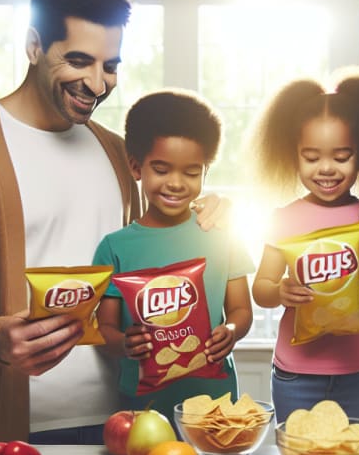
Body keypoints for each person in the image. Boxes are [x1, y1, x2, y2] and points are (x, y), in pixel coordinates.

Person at [0, 0, 224, 445]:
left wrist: (211, 215)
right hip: (13, 428)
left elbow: (145, 256)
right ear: (33, 46)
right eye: (78, 60)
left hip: (127, 419)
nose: (96, 83)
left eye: (109, 65)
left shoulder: (116, 152)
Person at [93, 89, 254, 426]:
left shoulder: (221, 232)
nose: (176, 184)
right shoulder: (115, 247)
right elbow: (103, 328)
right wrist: (124, 343)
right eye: (162, 170)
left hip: (215, 401)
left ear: (205, 172)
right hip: (141, 404)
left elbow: (241, 309)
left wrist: (232, 329)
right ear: (137, 166)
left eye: (191, 173)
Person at [251, 76, 359, 423]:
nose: (326, 168)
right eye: (311, 157)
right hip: (296, 374)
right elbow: (260, 288)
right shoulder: (284, 218)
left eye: (342, 156)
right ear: (293, 156)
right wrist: (279, 290)